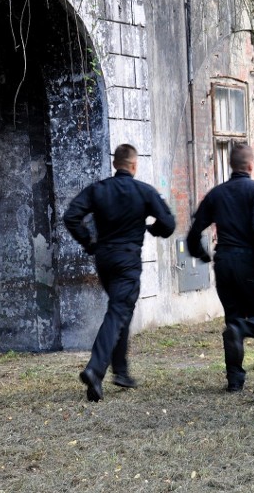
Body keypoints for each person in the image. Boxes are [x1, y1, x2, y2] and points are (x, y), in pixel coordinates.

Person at [64, 144, 176, 402]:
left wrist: (88, 242)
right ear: (134, 165)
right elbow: (168, 224)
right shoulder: (143, 191)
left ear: (115, 164)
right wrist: (153, 229)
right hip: (127, 260)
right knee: (118, 311)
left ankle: (122, 372)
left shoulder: (98, 189)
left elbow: (71, 216)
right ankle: (95, 369)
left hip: (104, 260)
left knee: (121, 308)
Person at [185, 143, 254, 393]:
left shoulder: (216, 194)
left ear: (231, 165)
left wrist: (202, 254)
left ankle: (235, 381)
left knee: (233, 319)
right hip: (248, 263)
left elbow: (194, 231)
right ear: (251, 165)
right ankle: (245, 330)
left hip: (224, 263)